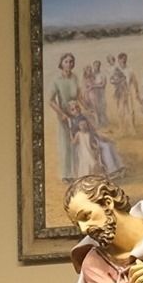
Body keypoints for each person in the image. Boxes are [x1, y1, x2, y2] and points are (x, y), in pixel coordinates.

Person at [48, 52, 83, 184]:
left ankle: (76, 172)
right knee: (66, 144)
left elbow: (78, 96)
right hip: (64, 116)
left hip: (75, 114)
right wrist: (62, 113)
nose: (69, 64)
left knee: (77, 142)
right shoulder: (56, 80)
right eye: (66, 61)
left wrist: (87, 108)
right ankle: (65, 174)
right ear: (61, 63)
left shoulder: (74, 77)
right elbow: (50, 101)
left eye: (71, 61)